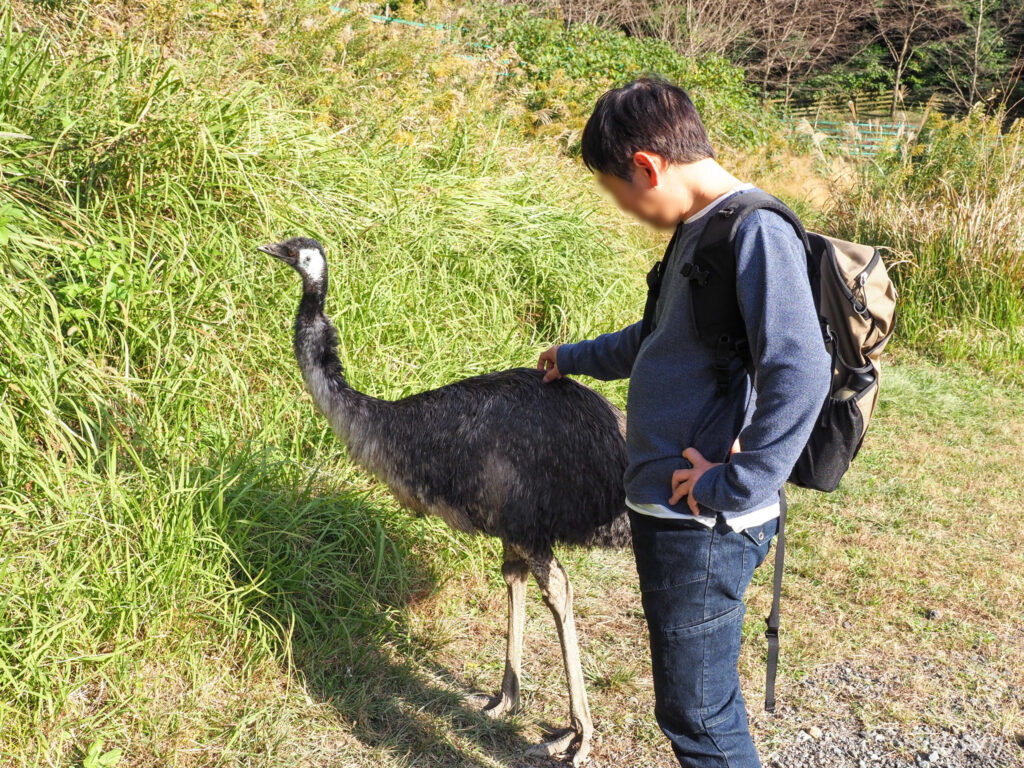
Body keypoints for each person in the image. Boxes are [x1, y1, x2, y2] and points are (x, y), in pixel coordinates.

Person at [536, 74, 831, 767]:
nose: (629, 210)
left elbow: (802, 369)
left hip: (705, 526)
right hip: (676, 519)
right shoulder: (701, 232)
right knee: (692, 705)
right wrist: (572, 357)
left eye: (621, 194)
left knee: (698, 716)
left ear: (647, 165)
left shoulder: (752, 231)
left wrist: (735, 484)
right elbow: (657, 338)